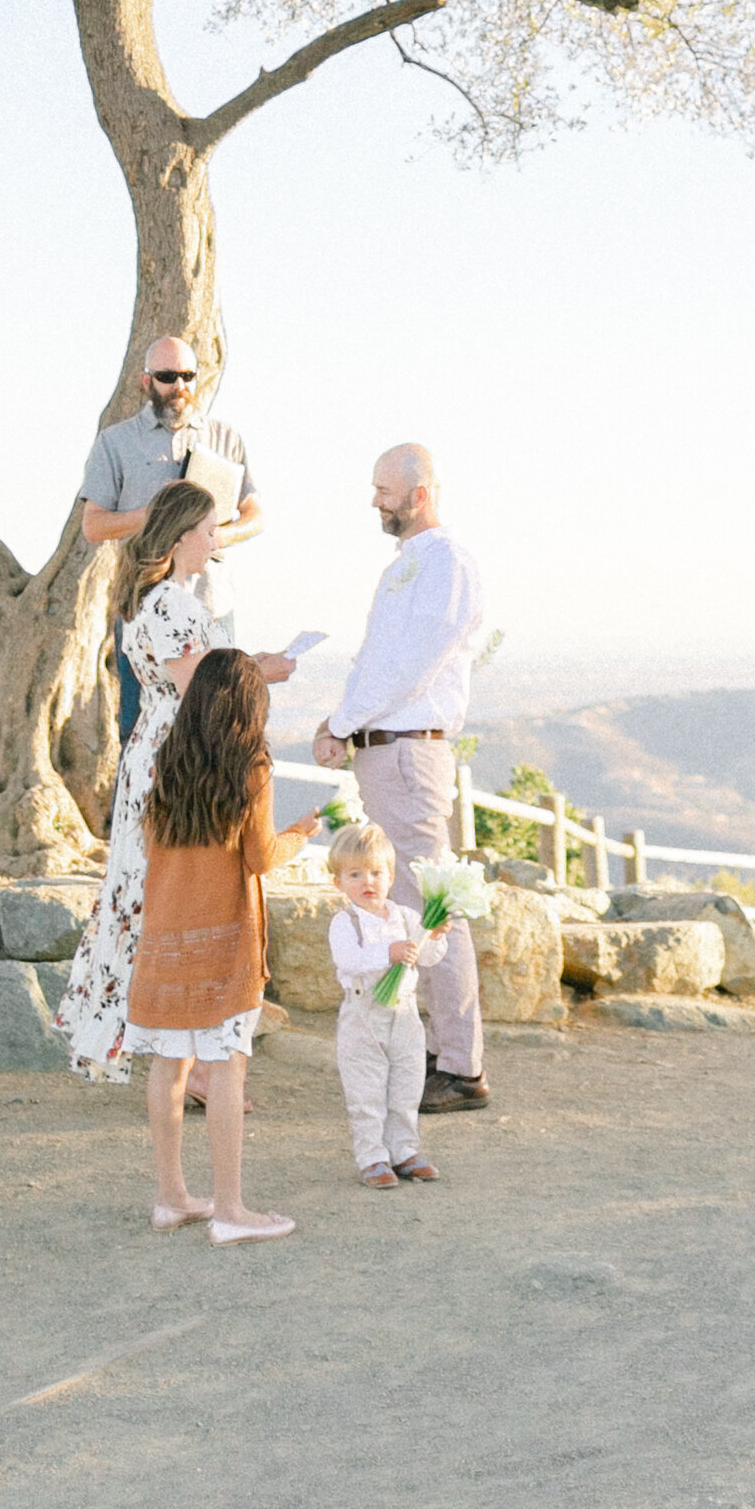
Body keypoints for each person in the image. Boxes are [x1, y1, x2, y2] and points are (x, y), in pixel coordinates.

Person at [62, 483, 304, 1083]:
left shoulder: (164, 599)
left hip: (166, 746)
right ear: (180, 537)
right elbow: (201, 684)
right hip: (178, 752)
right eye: (208, 529)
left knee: (157, 888)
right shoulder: (169, 604)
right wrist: (261, 672)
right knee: (172, 889)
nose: (217, 539)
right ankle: (182, 1053)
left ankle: (180, 1048)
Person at [313, 442, 492, 1117]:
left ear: (418, 494)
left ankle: (461, 1066)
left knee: (432, 901)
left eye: (384, 490)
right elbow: (378, 661)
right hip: (383, 748)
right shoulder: (407, 566)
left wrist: (343, 720)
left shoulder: (447, 563)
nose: (375, 501)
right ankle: (431, 1052)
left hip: (411, 751)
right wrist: (346, 726)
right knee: (404, 902)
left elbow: (414, 666)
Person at [127, 647, 323, 1242]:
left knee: (169, 1065)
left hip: (164, 939)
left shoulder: (167, 762)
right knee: (227, 1065)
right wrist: (301, 834)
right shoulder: (252, 767)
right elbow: (260, 858)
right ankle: (232, 1210)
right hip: (225, 944)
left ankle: (172, 1198)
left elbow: (152, 846)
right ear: (249, 702)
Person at [81, 335, 262, 724]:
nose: (178, 386)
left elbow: (256, 516)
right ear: (146, 382)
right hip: (144, 605)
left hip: (212, 604)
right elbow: (92, 525)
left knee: (215, 721)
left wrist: (211, 536)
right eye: (166, 376)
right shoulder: (116, 442)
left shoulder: (226, 440)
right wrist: (156, 516)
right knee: (139, 722)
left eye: (187, 375)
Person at [325, 821, 443, 1188]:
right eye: (355, 874)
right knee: (366, 1087)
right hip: (363, 1015)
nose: (367, 882)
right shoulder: (345, 923)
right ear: (339, 882)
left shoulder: (406, 918)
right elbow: (349, 960)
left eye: (375, 872)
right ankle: (373, 1157)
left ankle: (404, 1149)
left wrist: (437, 936)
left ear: (391, 877)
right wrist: (387, 953)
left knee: (407, 1083)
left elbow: (428, 958)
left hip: (405, 1012)